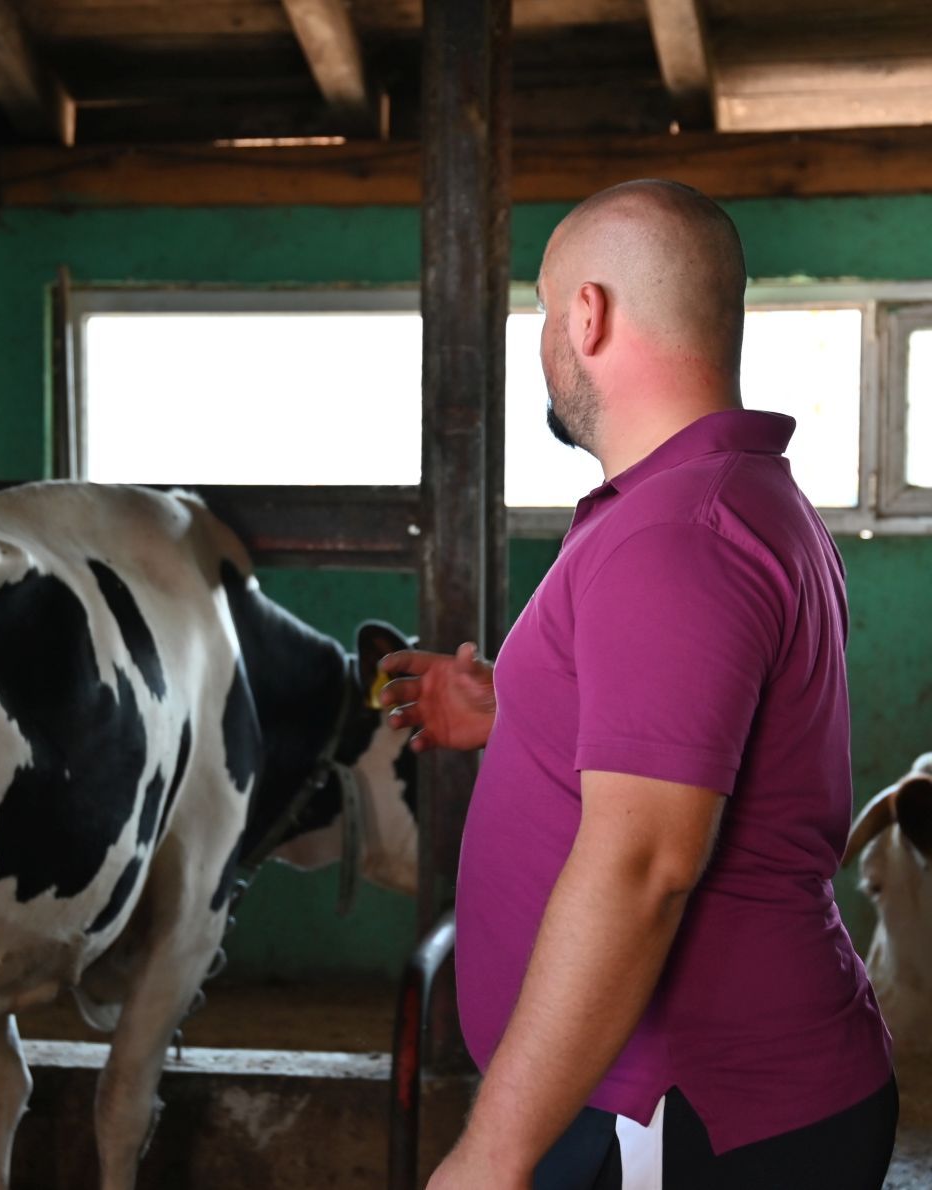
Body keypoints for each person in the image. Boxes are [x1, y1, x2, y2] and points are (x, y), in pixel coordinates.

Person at [381, 179, 896, 1189]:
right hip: (669, 1093)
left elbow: (641, 864)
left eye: (542, 308)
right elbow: (707, 741)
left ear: (588, 314)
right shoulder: (721, 498)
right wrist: (516, 710)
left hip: (689, 1108)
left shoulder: (673, 533)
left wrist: (493, 1149)